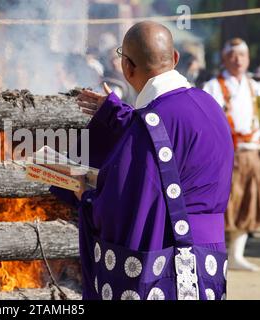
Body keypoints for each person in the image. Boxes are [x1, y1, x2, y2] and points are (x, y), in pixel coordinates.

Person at [50, 21, 234, 300]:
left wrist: (85, 195)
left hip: (169, 261)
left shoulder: (150, 124)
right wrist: (118, 115)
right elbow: (170, 143)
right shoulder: (209, 104)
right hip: (210, 257)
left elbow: (126, 204)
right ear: (174, 59)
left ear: (126, 68)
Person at [203, 38, 260, 272]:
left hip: (253, 153)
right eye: (233, 55)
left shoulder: (256, 87)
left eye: (242, 55)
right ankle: (217, 254)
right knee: (224, 205)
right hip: (227, 155)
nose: (238, 60)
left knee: (249, 203)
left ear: (248, 59)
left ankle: (237, 254)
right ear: (225, 59)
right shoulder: (212, 87)